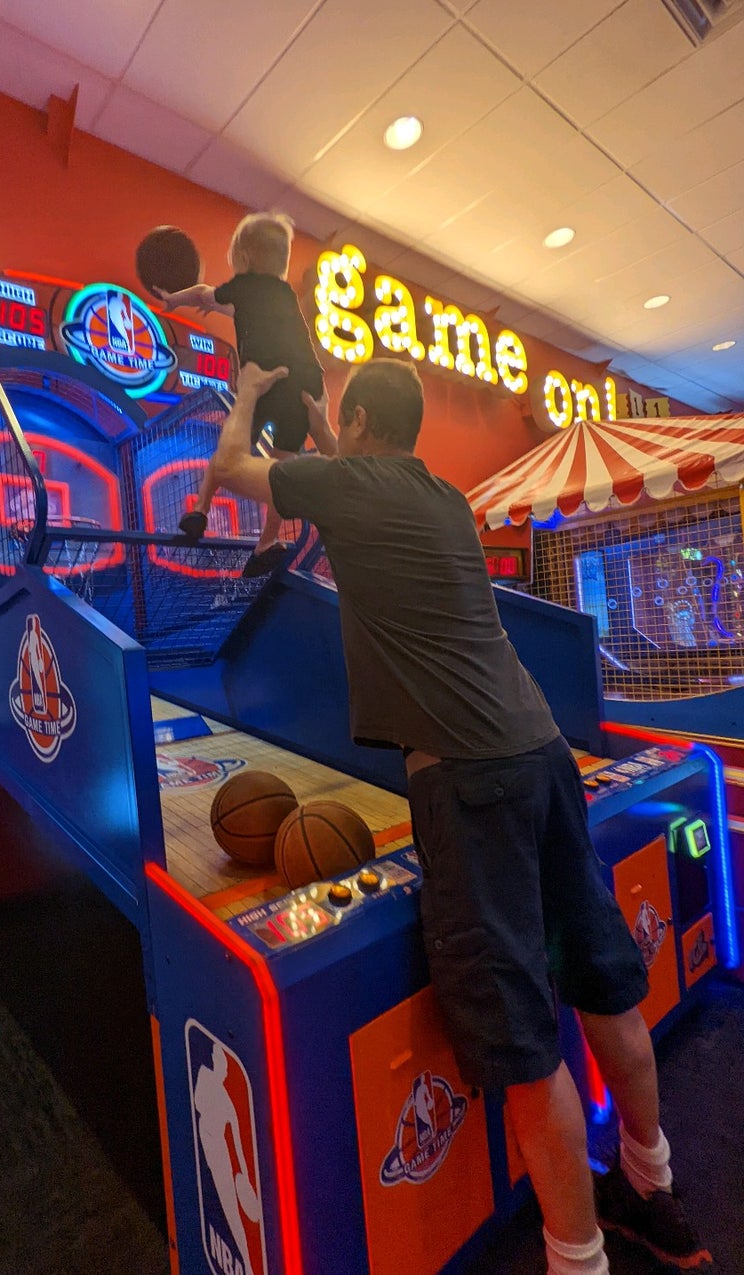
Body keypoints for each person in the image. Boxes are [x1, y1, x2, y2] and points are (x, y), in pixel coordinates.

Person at [210, 356, 712, 1275]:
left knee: (522, 1043)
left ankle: (577, 1260)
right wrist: (323, 422)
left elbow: (232, 469)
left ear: (360, 424)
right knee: (603, 981)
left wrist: (246, 392)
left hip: (470, 782)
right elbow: (349, 473)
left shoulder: (346, 485)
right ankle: (654, 1184)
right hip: (544, 756)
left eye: (342, 422)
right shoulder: (439, 496)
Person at [155, 211, 331, 577]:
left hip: (265, 378)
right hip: (306, 383)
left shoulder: (245, 286)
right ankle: (268, 540)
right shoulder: (285, 295)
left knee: (229, 447)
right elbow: (235, 309)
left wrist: (174, 300)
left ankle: (200, 509)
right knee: (281, 467)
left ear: (245, 260)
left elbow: (204, 294)